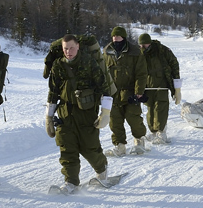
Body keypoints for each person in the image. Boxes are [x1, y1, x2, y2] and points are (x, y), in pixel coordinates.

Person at [45, 34, 113, 194]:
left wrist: (105, 112)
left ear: (78, 47)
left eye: (71, 48)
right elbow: (53, 92)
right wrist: (48, 117)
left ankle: (102, 169)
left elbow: (104, 88)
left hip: (86, 112)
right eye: (65, 49)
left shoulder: (89, 63)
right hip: (65, 113)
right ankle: (71, 181)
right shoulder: (57, 66)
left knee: (89, 147)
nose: (68, 51)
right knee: (66, 147)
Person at [103, 26, 149, 155]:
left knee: (133, 118)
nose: (116, 40)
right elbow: (102, 73)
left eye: (118, 37)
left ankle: (139, 141)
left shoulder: (135, 52)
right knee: (115, 120)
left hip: (131, 92)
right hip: (113, 93)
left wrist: (139, 91)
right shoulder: (107, 52)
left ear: (124, 38)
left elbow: (141, 73)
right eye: (114, 37)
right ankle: (120, 145)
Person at [137, 32, 181, 145]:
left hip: (161, 84)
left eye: (145, 45)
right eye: (140, 45)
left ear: (149, 43)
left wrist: (177, 87)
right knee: (150, 108)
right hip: (147, 86)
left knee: (160, 107)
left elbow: (174, 64)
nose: (143, 47)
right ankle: (153, 131)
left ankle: (161, 132)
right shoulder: (139, 54)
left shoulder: (162, 50)